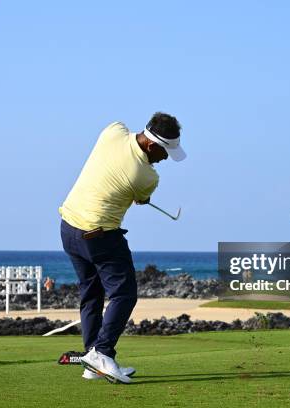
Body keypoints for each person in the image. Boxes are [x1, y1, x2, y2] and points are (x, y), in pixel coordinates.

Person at [58, 112, 185, 384]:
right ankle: (102, 353)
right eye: (164, 153)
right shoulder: (147, 176)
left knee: (91, 292)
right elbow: (142, 195)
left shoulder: (113, 130)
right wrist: (140, 195)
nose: (164, 160)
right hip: (98, 235)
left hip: (68, 227)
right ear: (152, 146)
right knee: (124, 294)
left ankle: (93, 358)